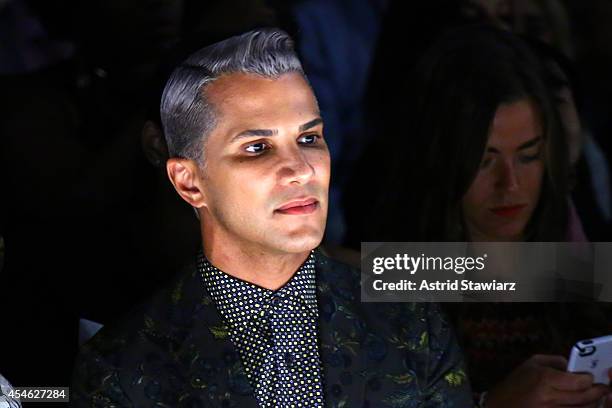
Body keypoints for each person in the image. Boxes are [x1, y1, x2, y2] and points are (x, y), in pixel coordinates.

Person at [70, 28, 472, 407]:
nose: (300, 169)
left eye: (309, 138)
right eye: (258, 147)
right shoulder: (120, 368)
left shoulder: (412, 322)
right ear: (189, 182)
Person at [369, 26, 612, 407]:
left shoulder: (578, 266)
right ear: (439, 159)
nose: (510, 185)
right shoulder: (390, 279)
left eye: (529, 156)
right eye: (484, 161)